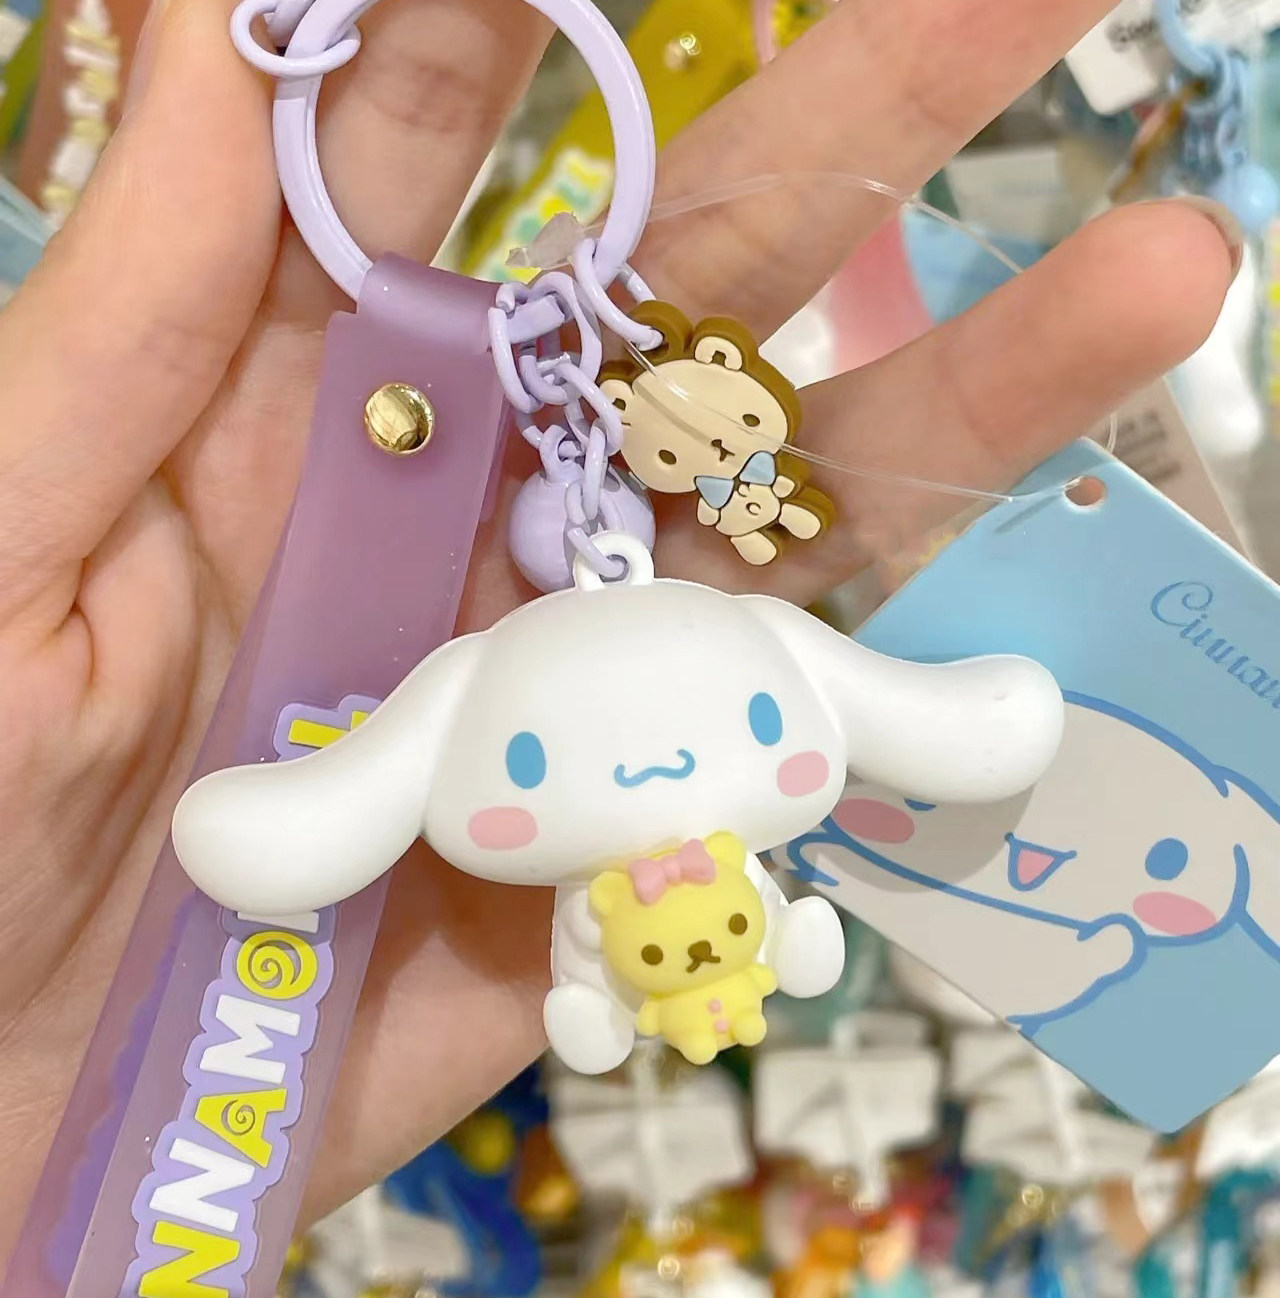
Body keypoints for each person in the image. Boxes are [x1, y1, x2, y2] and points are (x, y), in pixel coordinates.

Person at [0, 0, 1238, 1262]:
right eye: (526, 769)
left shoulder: (518, 673)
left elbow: (881, 708)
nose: (660, 774)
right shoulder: (571, 671)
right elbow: (366, 787)